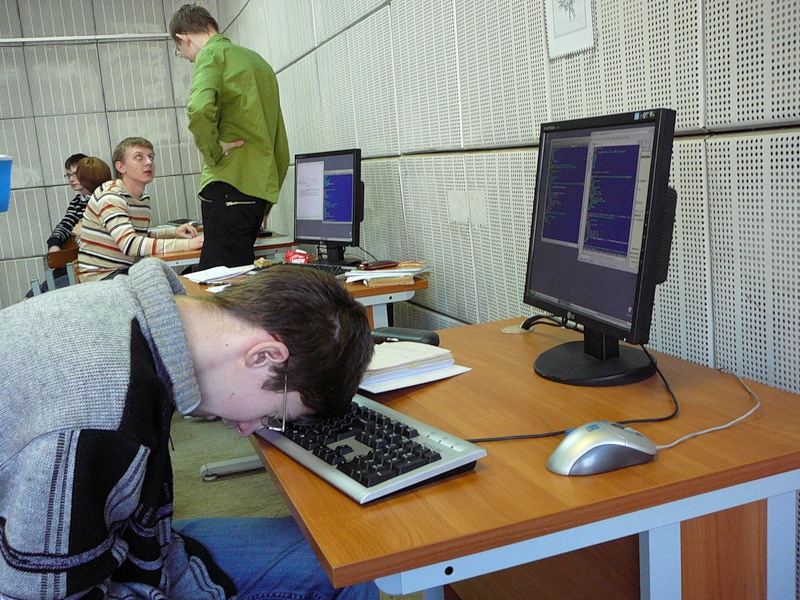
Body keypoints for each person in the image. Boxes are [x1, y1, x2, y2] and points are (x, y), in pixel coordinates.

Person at [0, 258, 378, 599]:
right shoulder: (101, 410)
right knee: (344, 569)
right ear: (264, 355)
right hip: (45, 577)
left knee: (346, 561)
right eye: (272, 415)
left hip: (127, 543)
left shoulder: (134, 313)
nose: (249, 429)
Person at [170, 4, 289, 270]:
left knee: (219, 280)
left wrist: (213, 151)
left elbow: (199, 108)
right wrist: (266, 200)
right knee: (241, 276)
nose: (187, 59)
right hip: (257, 191)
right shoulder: (259, 62)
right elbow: (278, 140)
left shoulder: (211, 55)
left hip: (227, 184)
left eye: (181, 51)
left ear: (183, 38)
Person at [78, 137, 203, 282]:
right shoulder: (111, 196)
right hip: (103, 278)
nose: (148, 162)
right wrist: (187, 244)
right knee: (172, 285)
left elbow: (138, 234)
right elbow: (130, 244)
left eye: (151, 157)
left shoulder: (142, 198)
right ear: (121, 167)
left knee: (177, 284)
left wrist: (173, 232)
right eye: (139, 157)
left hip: (126, 272)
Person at [46, 153, 88, 276]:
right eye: (69, 175)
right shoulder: (77, 201)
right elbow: (66, 224)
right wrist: (54, 243)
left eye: (75, 174)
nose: (71, 179)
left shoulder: (101, 198)